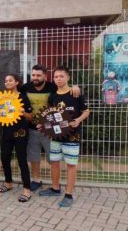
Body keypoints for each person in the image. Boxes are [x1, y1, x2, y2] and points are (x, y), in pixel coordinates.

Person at [20, 65, 80, 191]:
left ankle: (56, 184)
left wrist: (75, 87)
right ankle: (36, 180)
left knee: (53, 158)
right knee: (33, 156)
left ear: (45, 77)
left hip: (50, 129)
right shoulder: (25, 87)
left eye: (38, 75)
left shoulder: (52, 87)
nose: (35, 78)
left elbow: (65, 90)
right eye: (33, 75)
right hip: (31, 128)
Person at [38, 66, 90, 207]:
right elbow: (49, 115)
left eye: (61, 76)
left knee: (71, 165)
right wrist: (42, 125)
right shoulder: (53, 96)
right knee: (54, 162)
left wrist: (78, 120)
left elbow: (86, 111)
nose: (58, 79)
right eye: (56, 77)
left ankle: (68, 194)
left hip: (72, 136)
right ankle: (55, 188)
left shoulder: (75, 93)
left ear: (68, 77)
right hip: (56, 136)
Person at [0, 74, 32, 202]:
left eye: (10, 80)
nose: (7, 82)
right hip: (6, 132)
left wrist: (22, 112)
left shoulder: (23, 97)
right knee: (5, 157)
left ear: (17, 82)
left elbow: (30, 117)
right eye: (6, 80)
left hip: (21, 133)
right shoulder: (2, 98)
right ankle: (8, 182)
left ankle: (27, 189)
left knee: (22, 160)